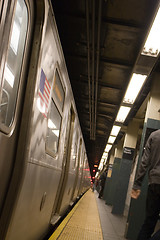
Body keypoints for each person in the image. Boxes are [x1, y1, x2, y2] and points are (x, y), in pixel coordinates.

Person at [131, 129, 160, 240]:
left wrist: (137, 184)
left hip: (154, 183)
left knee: (149, 223)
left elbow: (144, 162)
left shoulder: (154, 136)